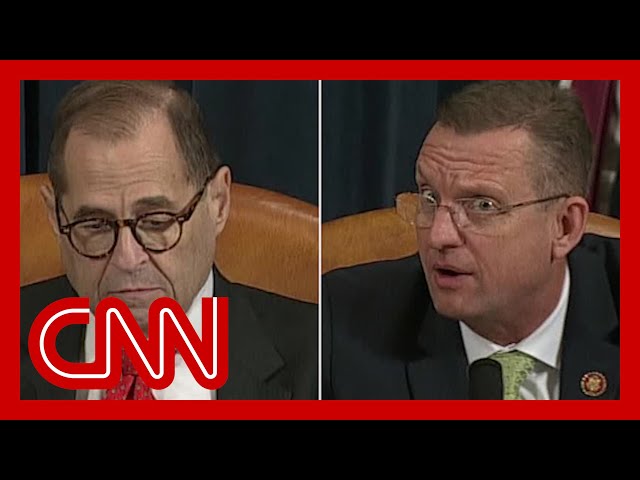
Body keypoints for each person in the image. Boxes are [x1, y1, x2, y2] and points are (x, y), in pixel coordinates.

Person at [21, 80, 318, 400]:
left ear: (218, 203)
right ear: (55, 216)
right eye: (95, 225)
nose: (127, 259)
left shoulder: (319, 359)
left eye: (156, 221)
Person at [322, 80, 619, 400]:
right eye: (429, 197)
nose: (439, 236)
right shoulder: (342, 326)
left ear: (564, 226)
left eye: (483, 205)